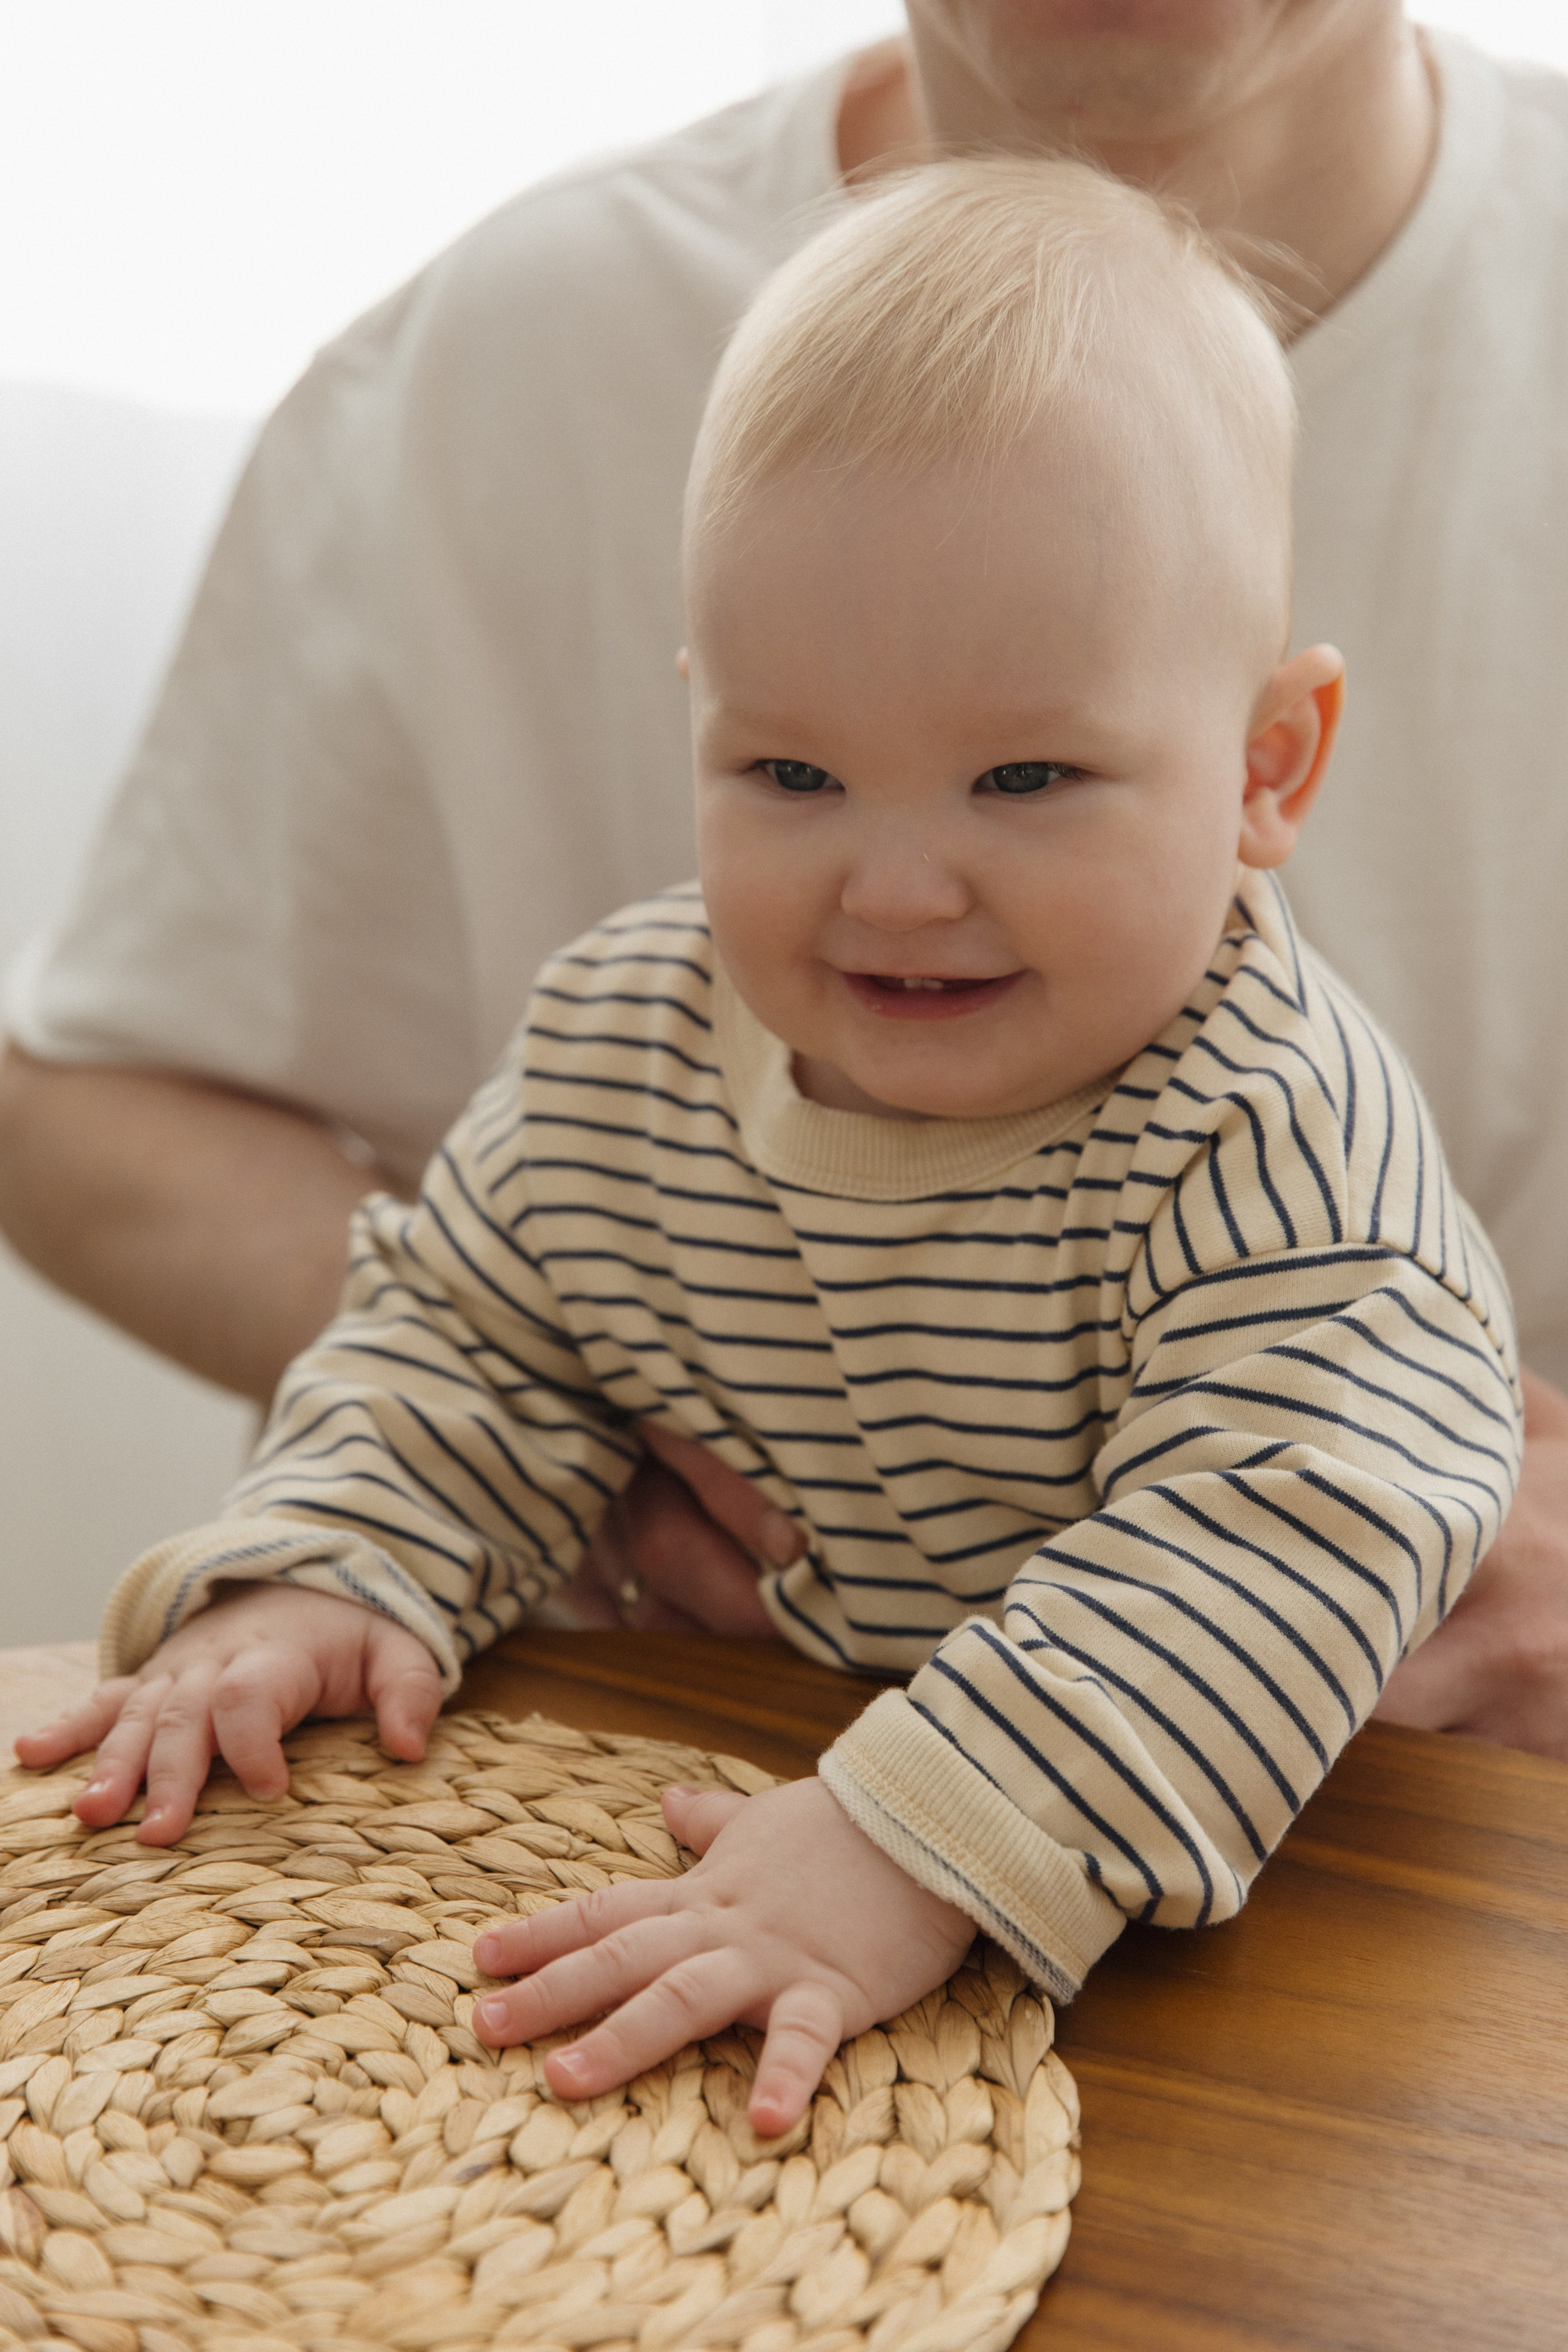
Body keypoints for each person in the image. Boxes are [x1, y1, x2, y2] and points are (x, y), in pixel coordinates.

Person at [20, 163, 1522, 2131]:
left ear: (1268, 767)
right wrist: (331, 1572)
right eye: (791, 771)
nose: (898, 884)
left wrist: (902, 1844)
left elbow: (1280, 1533)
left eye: (1029, 777)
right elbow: (469, 1341)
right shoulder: (625, 1043)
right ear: (698, 724)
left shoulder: (1277, 1143)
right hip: (752, 1783)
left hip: (1229, 1930)